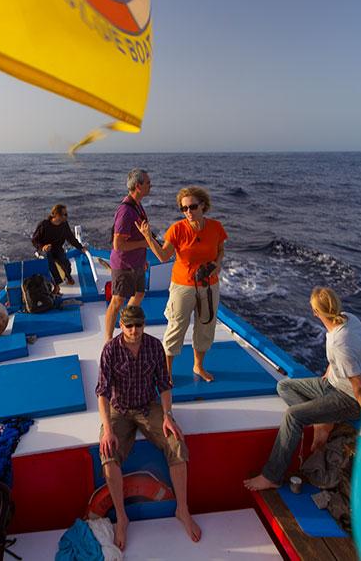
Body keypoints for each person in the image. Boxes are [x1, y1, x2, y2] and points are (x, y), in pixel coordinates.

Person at [243, 287, 361, 491]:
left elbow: (359, 389)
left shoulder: (341, 344)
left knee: (293, 416)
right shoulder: (349, 319)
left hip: (348, 398)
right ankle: (321, 421)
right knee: (284, 386)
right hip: (333, 383)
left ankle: (272, 476)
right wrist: (331, 367)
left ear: (316, 312)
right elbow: (353, 352)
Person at [96, 305, 201, 550]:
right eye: (129, 326)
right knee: (108, 453)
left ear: (144, 325)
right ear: (121, 326)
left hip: (147, 406)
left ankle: (182, 510)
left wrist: (167, 415)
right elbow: (102, 393)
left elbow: (164, 385)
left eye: (138, 325)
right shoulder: (110, 350)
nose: (134, 330)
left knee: (175, 442)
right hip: (118, 409)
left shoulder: (155, 347)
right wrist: (108, 429)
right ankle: (122, 518)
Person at [136, 186, 226, 381]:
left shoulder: (216, 227)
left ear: (203, 206)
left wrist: (217, 265)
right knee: (176, 326)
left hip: (209, 285)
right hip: (183, 285)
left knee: (205, 326)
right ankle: (167, 372)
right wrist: (148, 237)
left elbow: (220, 250)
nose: (188, 212)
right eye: (183, 209)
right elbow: (163, 256)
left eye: (192, 207)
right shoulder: (177, 229)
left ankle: (198, 366)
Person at [104, 168, 152, 342]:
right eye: (147, 183)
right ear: (138, 186)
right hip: (124, 265)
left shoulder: (137, 206)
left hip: (137, 263)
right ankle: (108, 340)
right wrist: (144, 244)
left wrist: (143, 257)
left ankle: (125, 323)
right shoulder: (126, 211)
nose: (150, 185)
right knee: (117, 301)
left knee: (139, 294)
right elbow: (119, 244)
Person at [31, 203, 84, 295]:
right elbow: (34, 240)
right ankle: (56, 285)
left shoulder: (64, 224)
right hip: (44, 250)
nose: (67, 216)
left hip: (57, 248)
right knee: (50, 263)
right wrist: (43, 247)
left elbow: (70, 238)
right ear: (57, 215)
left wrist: (81, 247)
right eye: (65, 214)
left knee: (65, 262)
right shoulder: (44, 224)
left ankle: (68, 276)